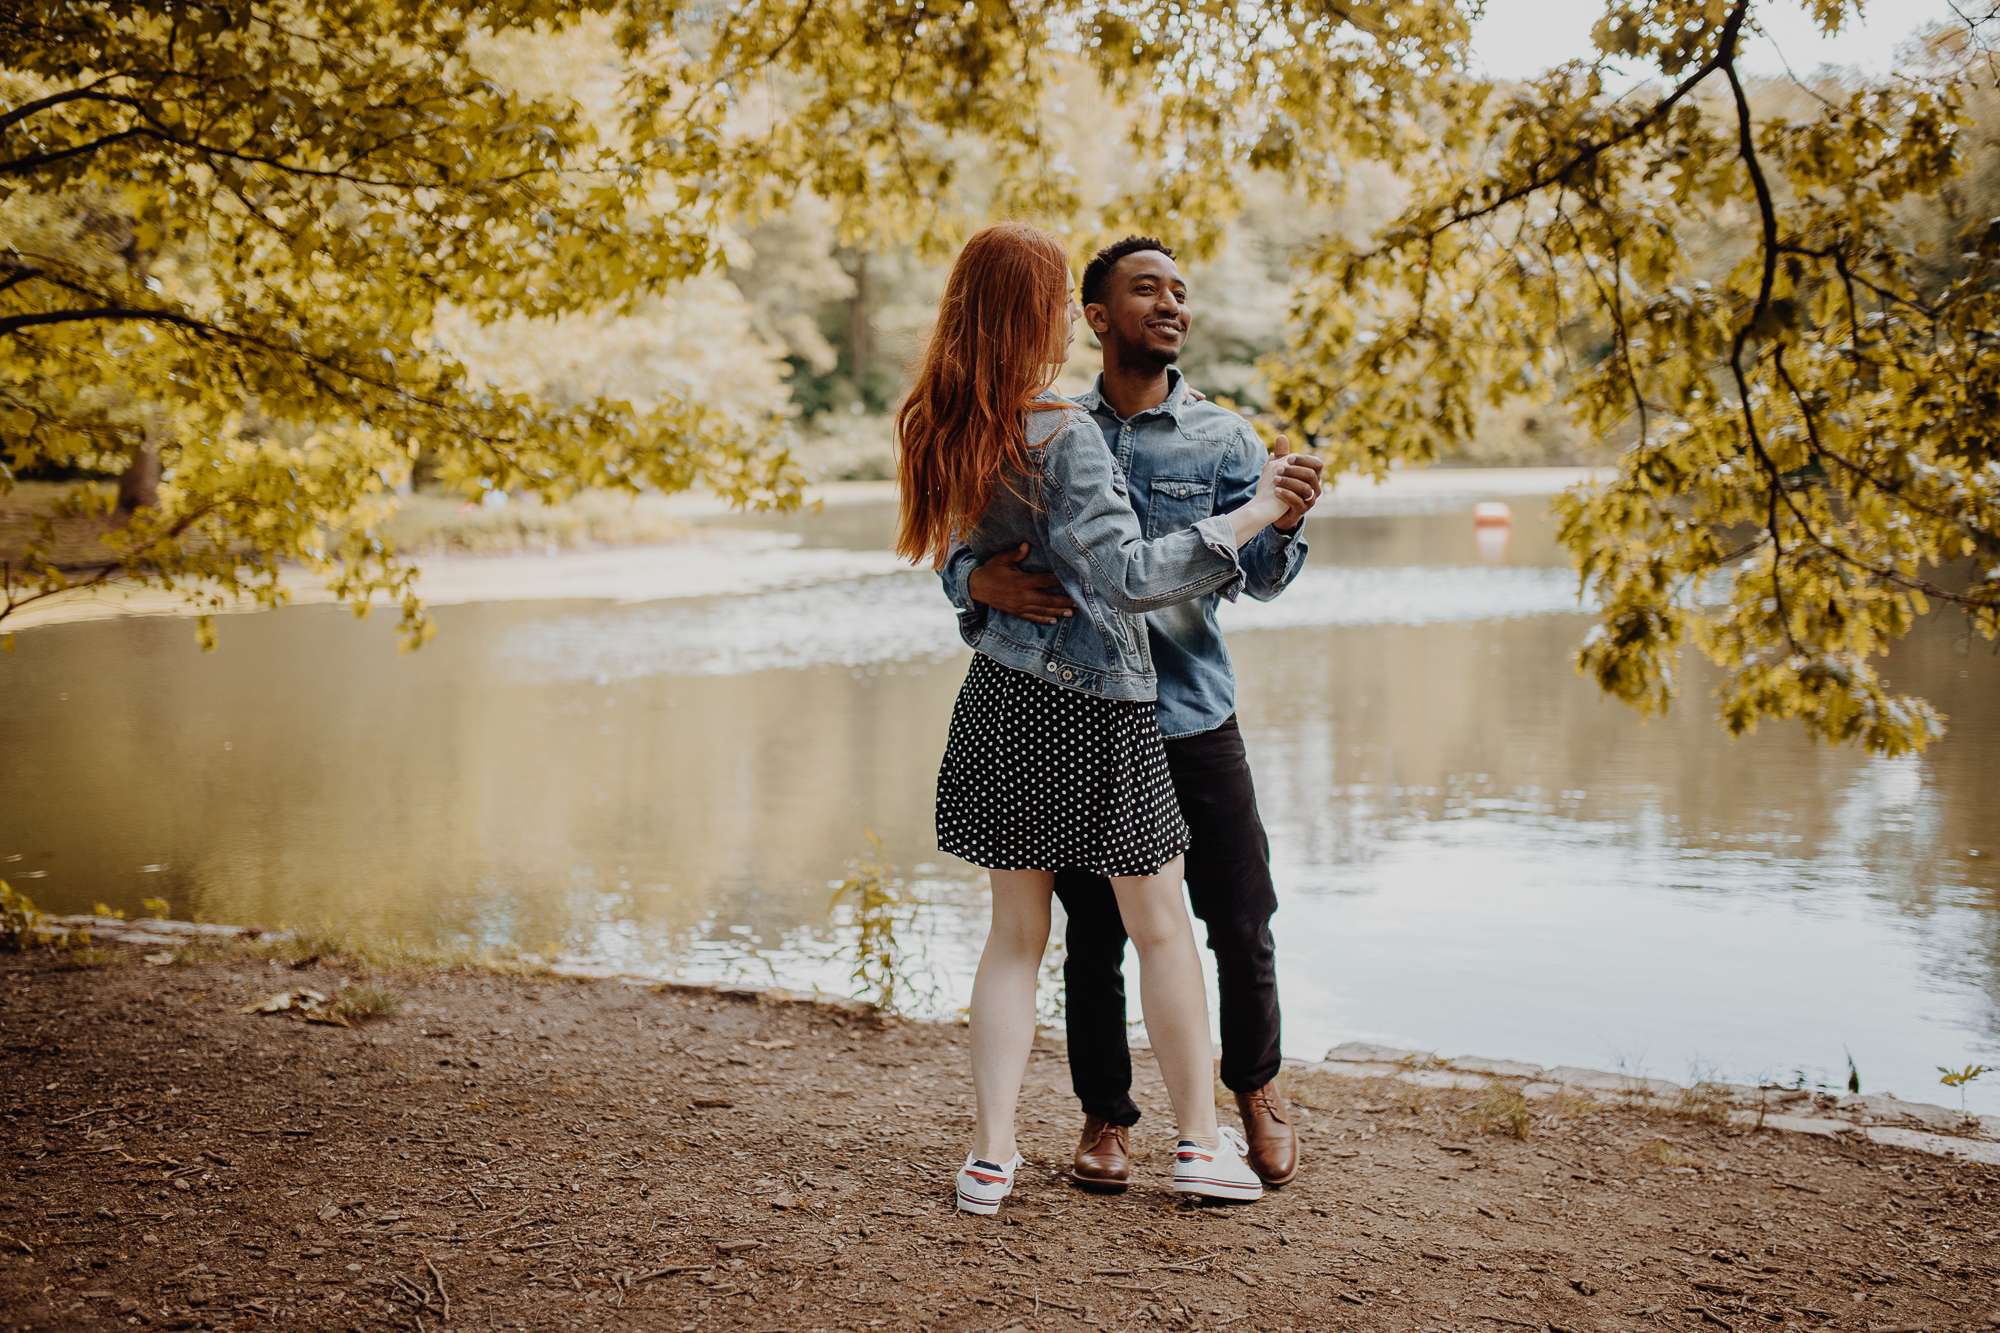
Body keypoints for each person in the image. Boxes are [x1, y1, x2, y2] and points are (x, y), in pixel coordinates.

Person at [895, 221, 1311, 1215]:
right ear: (1057, 311)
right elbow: (1123, 578)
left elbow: (966, 549)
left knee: (1014, 933)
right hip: (1099, 709)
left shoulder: (946, 419)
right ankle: (1195, 1146)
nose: (1166, 303)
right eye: (1053, 296)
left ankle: (990, 1160)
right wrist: (1252, 512)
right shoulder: (1061, 431)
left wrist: (1272, 523)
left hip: (1006, 699)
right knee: (1157, 929)